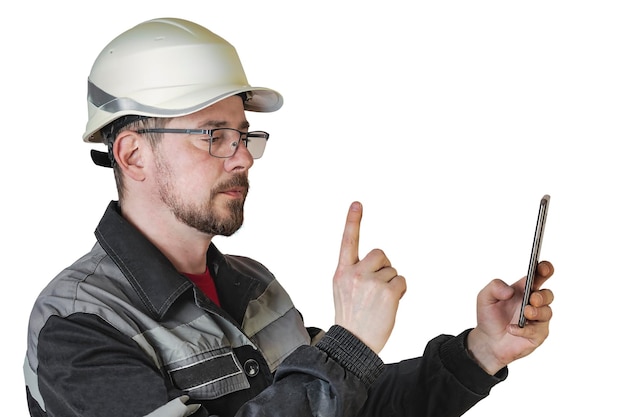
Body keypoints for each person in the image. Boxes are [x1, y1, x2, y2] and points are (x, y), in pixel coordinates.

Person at [23, 17, 555, 417]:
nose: (243, 156)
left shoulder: (252, 286)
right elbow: (334, 378)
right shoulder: (79, 326)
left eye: (243, 135)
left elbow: (347, 406)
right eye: (214, 135)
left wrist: (480, 352)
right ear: (133, 155)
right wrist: (347, 347)